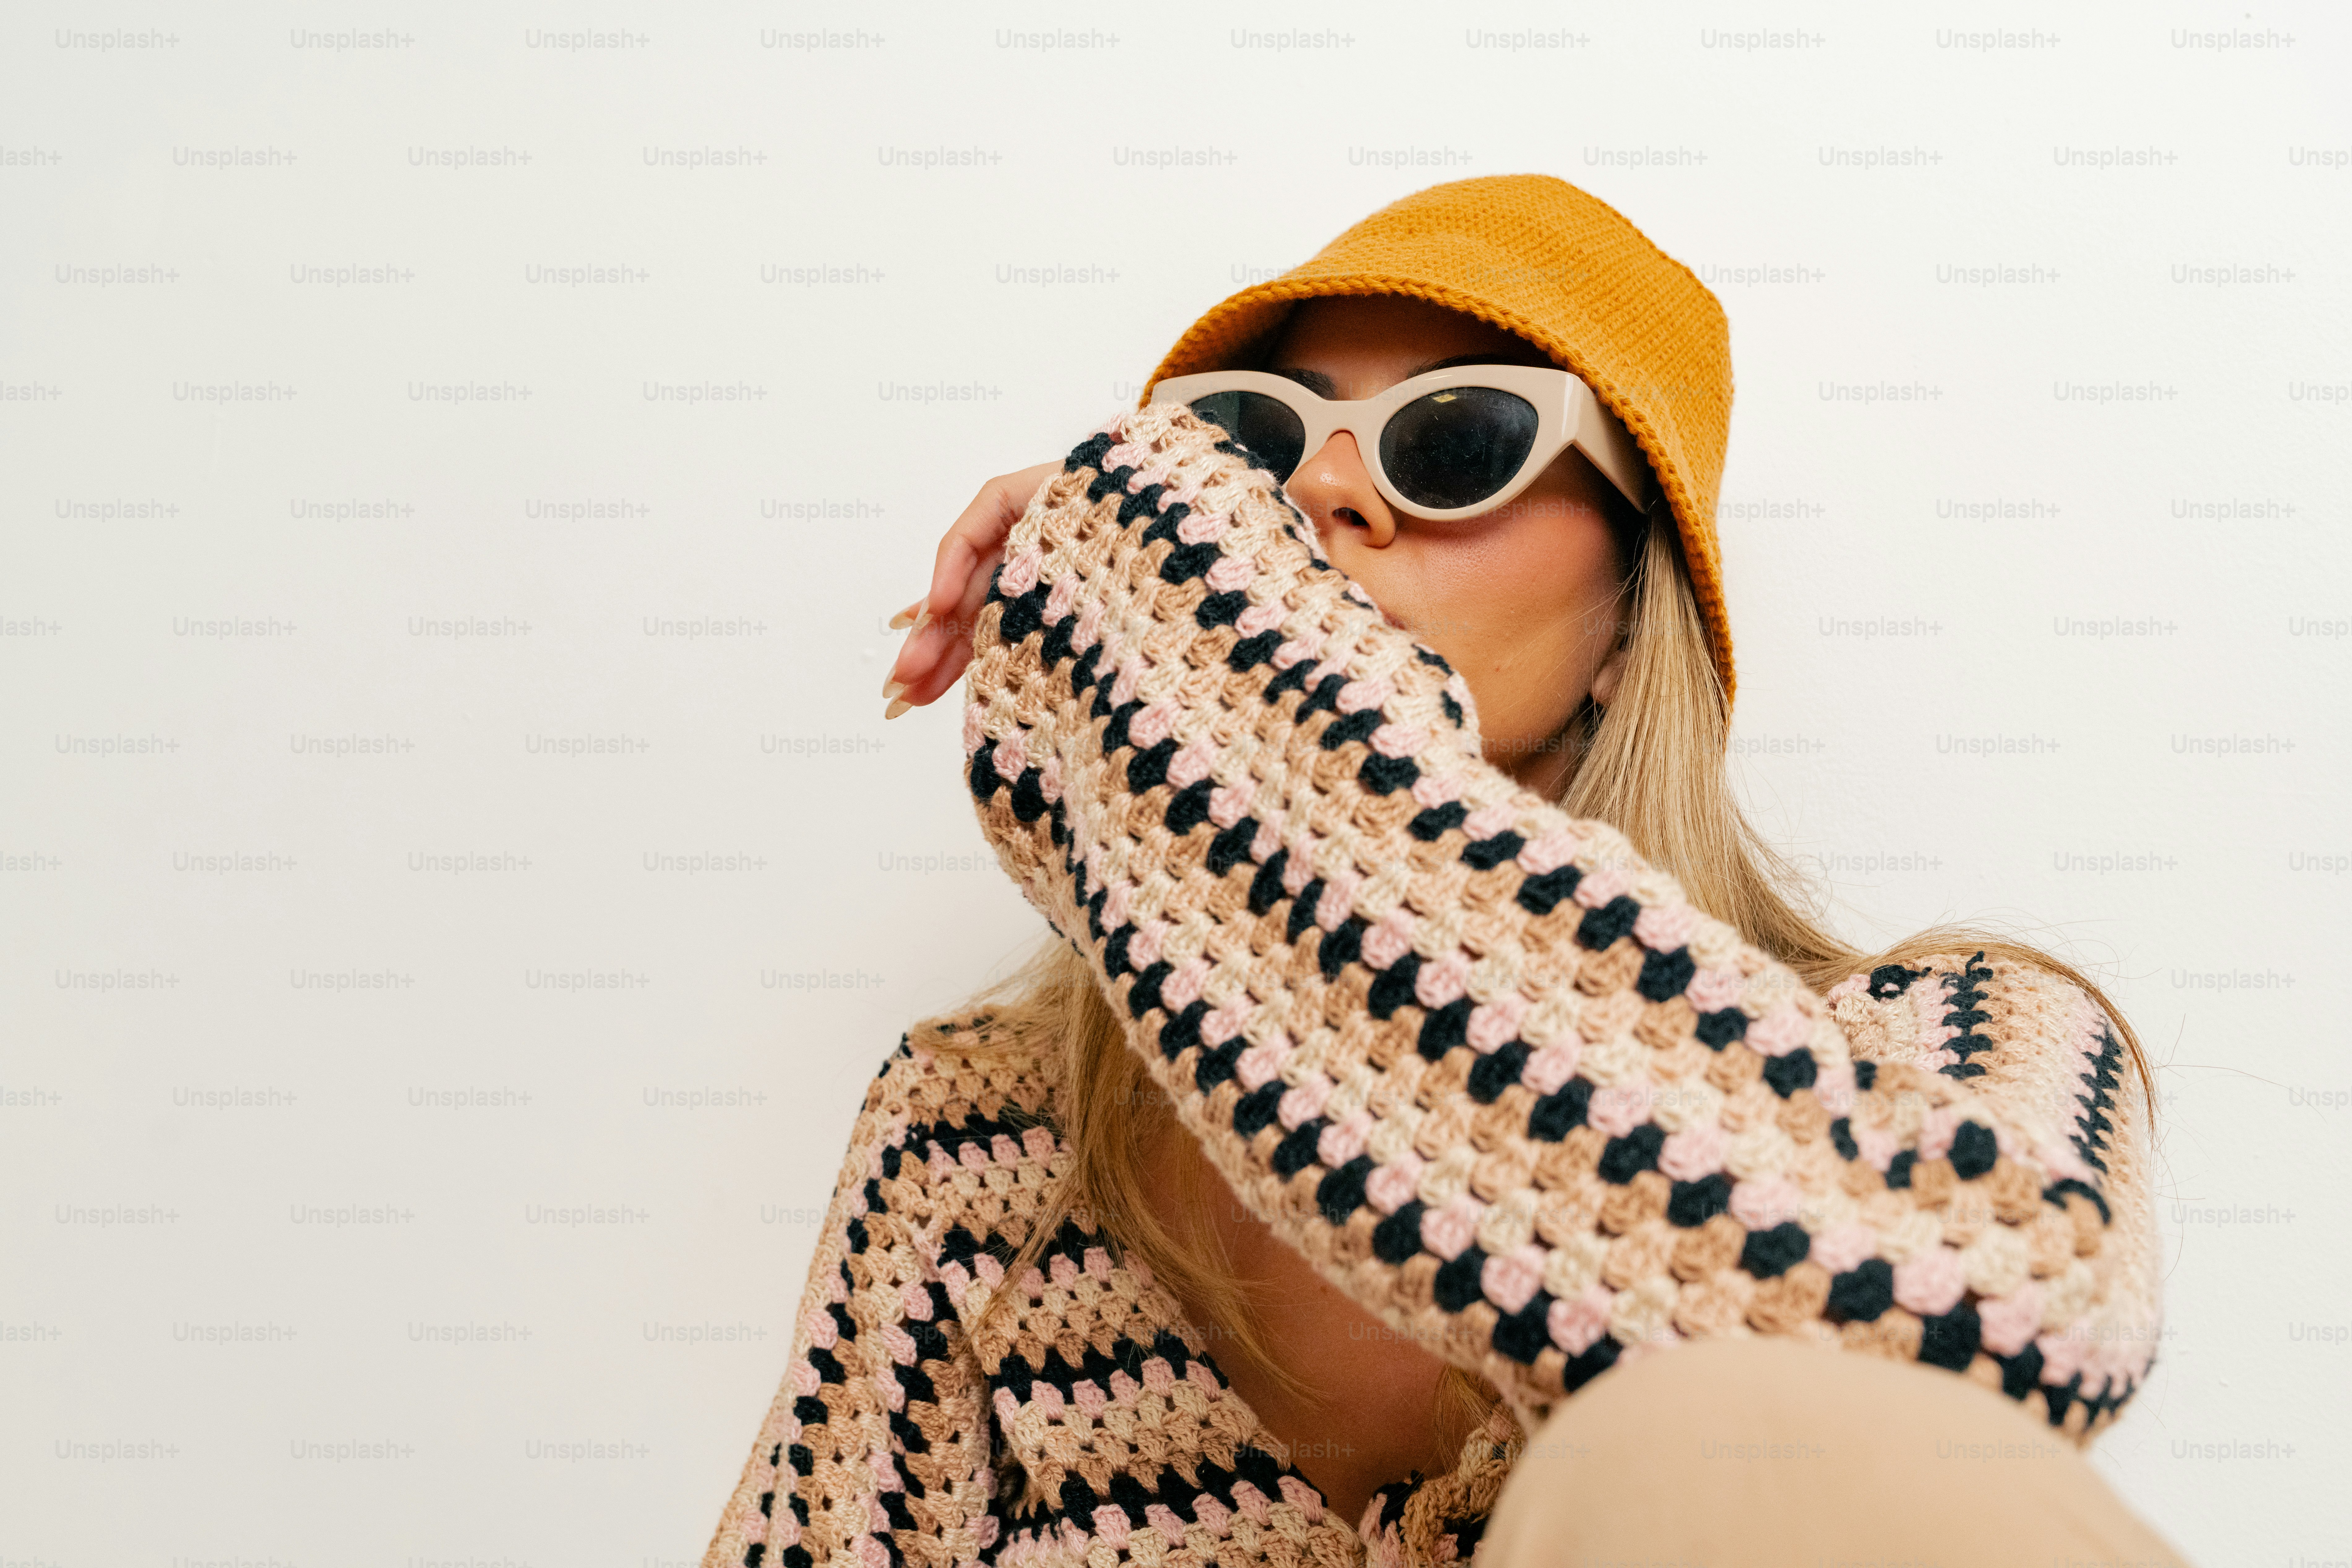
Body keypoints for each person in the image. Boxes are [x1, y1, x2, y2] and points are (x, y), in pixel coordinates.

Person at [701, 176, 2182, 1568]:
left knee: (1712, 1429)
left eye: (1458, 437)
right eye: (1244, 455)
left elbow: (1986, 1337)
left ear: (1625, 612)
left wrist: (1260, 778)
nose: (1324, 498)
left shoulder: (1951, 1047)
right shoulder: (975, 1144)